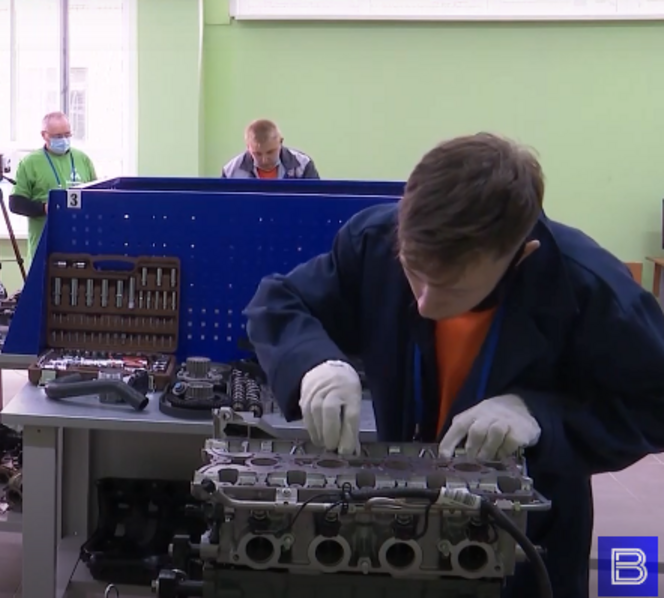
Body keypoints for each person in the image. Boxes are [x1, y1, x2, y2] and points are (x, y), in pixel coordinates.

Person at [244, 132, 664, 598]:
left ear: (520, 255)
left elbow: (655, 405)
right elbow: (278, 301)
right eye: (413, 271)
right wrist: (316, 363)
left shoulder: (589, 287)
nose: (424, 304)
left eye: (452, 288)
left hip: (525, 538)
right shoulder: (375, 241)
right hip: (399, 523)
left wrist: (541, 416)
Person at [8, 111, 98, 262]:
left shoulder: (82, 159)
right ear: (45, 135)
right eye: (58, 136)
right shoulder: (30, 163)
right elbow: (16, 203)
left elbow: (97, 195)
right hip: (45, 244)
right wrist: (44, 208)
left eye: (67, 134)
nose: (64, 139)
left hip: (81, 243)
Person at [221, 119, 319, 180]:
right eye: (257, 154)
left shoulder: (303, 165)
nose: (264, 160)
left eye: (270, 152)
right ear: (248, 147)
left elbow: (316, 203)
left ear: (281, 142)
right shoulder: (231, 171)